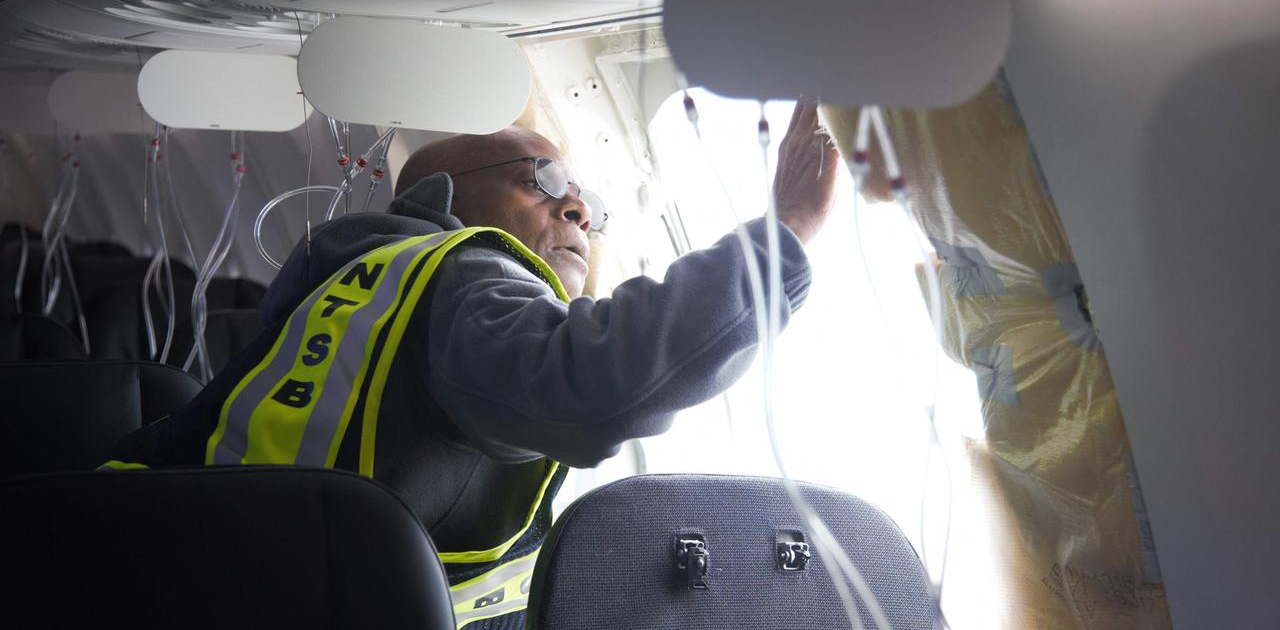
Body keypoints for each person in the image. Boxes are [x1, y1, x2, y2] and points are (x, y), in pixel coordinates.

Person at [107, 99, 839, 629]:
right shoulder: (461, 274)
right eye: (547, 182)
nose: (579, 210)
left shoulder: (365, 282)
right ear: (443, 197)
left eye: (590, 202)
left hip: (187, 582)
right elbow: (591, 385)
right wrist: (786, 237)